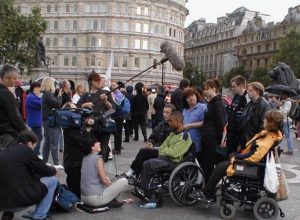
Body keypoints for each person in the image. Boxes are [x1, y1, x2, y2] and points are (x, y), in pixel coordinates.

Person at [201, 110, 284, 201]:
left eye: (265, 119)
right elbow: (252, 152)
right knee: (220, 165)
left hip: (250, 166)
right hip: (248, 162)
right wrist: (238, 156)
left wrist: (238, 158)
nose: (263, 120)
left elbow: (255, 157)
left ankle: (207, 193)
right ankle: (208, 192)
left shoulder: (269, 139)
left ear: (270, 123)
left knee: (219, 168)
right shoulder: (268, 135)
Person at [134, 111, 192, 200]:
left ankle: (145, 192)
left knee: (149, 163)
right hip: (165, 158)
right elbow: (162, 147)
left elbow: (174, 153)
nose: (169, 123)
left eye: (171, 121)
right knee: (146, 157)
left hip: (174, 162)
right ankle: (142, 186)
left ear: (178, 121)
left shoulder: (184, 136)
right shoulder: (172, 134)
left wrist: (165, 150)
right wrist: (165, 150)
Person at [0, 130, 58, 220]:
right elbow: (46, 170)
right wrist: (54, 169)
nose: (33, 149)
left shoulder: (4, 151)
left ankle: (7, 213)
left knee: (10, 179)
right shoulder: (26, 150)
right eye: (34, 146)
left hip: (2, 202)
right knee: (52, 180)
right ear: (30, 143)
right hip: (19, 200)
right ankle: (39, 216)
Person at [124, 104, 175, 179]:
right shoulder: (161, 124)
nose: (164, 114)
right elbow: (153, 136)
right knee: (144, 151)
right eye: (164, 112)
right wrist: (150, 142)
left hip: (164, 152)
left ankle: (134, 171)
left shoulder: (173, 126)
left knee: (143, 152)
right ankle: (134, 171)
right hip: (156, 148)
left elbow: (168, 143)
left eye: (167, 113)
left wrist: (154, 146)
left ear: (173, 114)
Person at [80, 134, 128, 207]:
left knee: (107, 181)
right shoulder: (98, 158)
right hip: (95, 199)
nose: (99, 143)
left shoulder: (85, 158)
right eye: (96, 143)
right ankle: (112, 199)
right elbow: (104, 180)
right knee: (124, 181)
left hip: (84, 197)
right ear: (92, 147)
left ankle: (110, 199)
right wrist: (113, 188)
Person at [77, 73, 114, 162]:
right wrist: (85, 105)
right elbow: (77, 107)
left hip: (103, 125)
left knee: (103, 149)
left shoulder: (105, 93)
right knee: (90, 147)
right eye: (97, 80)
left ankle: (101, 168)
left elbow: (113, 109)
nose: (100, 82)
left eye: (100, 80)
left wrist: (105, 102)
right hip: (90, 126)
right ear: (92, 82)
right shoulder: (86, 95)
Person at [200, 79, 226, 181]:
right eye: (204, 89)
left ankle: (208, 186)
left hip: (212, 137)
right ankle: (206, 184)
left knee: (208, 163)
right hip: (207, 137)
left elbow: (220, 123)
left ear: (214, 89)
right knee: (206, 163)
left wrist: (220, 140)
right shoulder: (211, 103)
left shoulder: (218, 103)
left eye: (207, 89)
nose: (205, 91)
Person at [238, 82, 271, 150]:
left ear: (257, 92)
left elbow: (263, 126)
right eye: (247, 90)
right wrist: (240, 143)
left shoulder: (264, 105)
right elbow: (244, 123)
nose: (248, 92)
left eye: (250, 90)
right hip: (246, 140)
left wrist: (256, 143)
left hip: (254, 142)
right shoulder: (249, 104)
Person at [0, 64, 26, 150]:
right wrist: (27, 133)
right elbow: (15, 117)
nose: (16, 81)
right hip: (7, 135)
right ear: (6, 78)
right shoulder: (6, 94)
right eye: (14, 78)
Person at [41, 77, 63, 169]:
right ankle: (56, 163)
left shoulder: (46, 94)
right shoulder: (48, 94)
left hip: (47, 121)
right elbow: (57, 104)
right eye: (54, 84)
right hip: (51, 121)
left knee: (47, 142)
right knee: (54, 142)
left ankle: (44, 161)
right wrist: (59, 96)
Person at [226, 75, 249, 154]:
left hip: (239, 134)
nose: (232, 89)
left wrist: (241, 141)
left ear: (241, 86)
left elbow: (246, 119)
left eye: (234, 86)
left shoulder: (246, 97)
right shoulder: (236, 97)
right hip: (232, 133)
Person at [182, 87, 207, 159]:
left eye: (192, 95)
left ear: (196, 96)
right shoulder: (185, 110)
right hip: (185, 141)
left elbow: (205, 123)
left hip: (197, 141)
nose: (191, 98)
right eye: (188, 97)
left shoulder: (202, 107)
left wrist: (190, 126)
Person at [26, 82, 43, 156]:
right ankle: (35, 153)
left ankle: (35, 152)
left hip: (36, 120)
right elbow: (39, 104)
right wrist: (42, 98)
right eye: (37, 88)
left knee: (38, 137)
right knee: (37, 137)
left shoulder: (33, 96)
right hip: (35, 121)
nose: (39, 89)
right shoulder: (30, 97)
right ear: (33, 88)